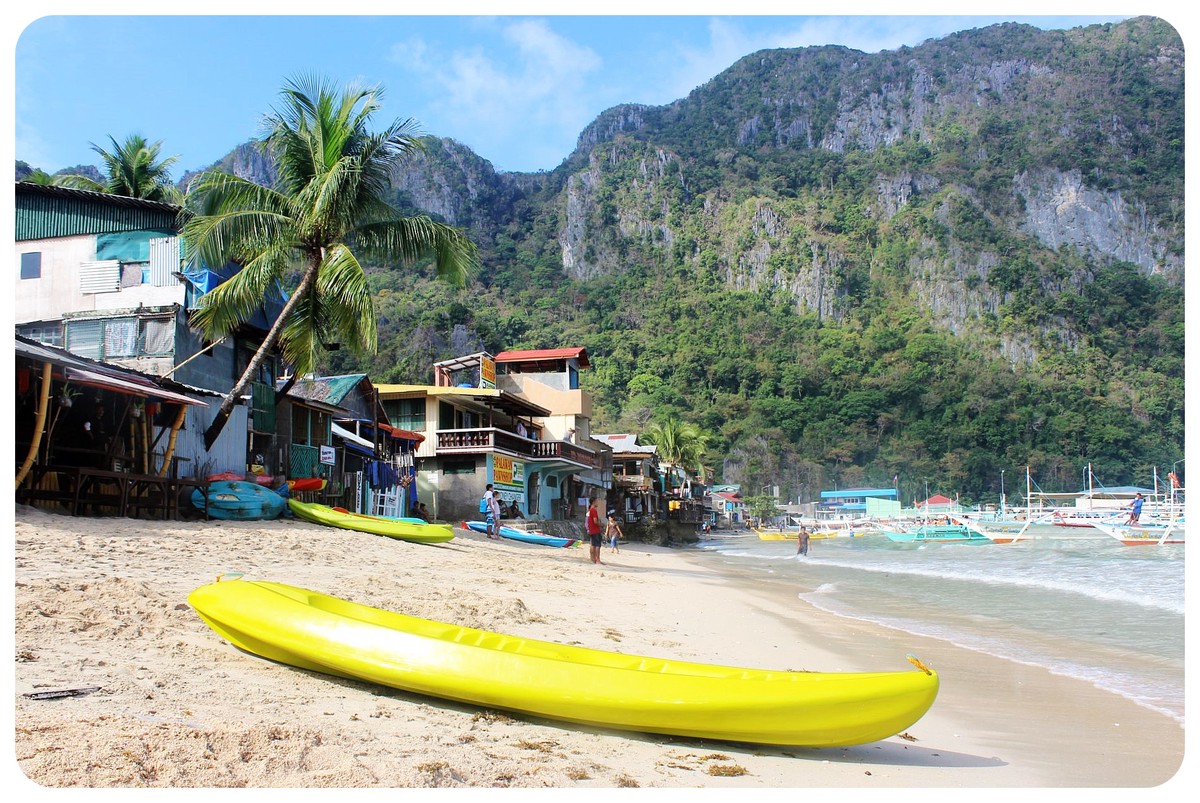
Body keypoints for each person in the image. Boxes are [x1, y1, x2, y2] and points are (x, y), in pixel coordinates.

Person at [586, 498, 604, 564]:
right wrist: (601, 525)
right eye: (596, 501)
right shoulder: (593, 510)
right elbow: (595, 521)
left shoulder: (589, 510)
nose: (597, 503)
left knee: (593, 544)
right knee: (597, 545)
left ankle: (592, 559)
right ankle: (597, 559)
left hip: (591, 530)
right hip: (595, 530)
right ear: (593, 502)